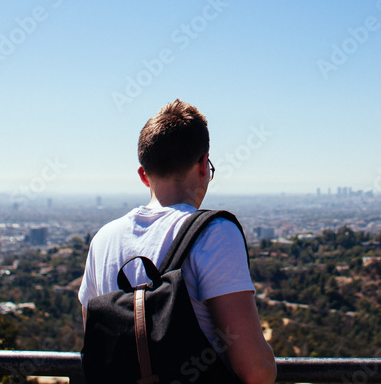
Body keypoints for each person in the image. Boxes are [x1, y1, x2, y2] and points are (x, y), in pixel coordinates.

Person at [78, 99, 276, 384]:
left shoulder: (103, 241)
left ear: (143, 175)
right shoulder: (215, 233)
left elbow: (97, 347)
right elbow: (256, 371)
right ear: (203, 166)